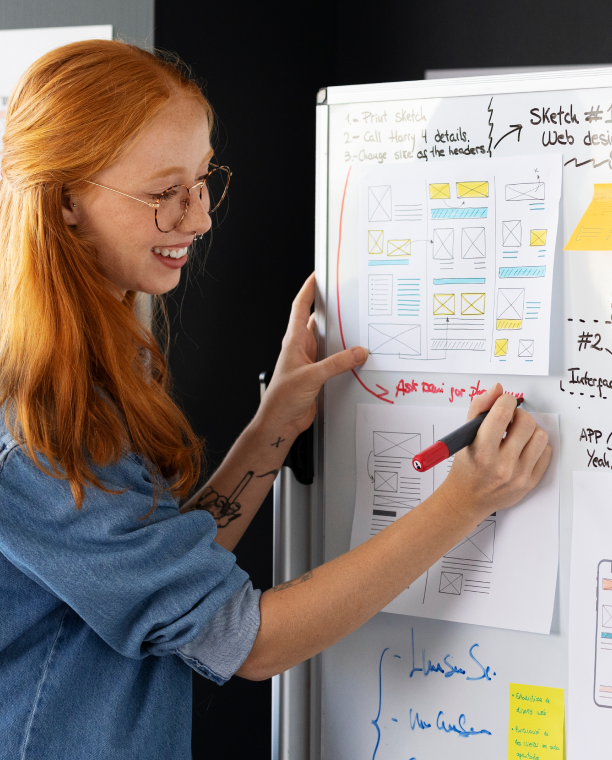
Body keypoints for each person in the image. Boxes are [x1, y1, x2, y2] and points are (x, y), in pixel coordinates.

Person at [0, 40, 552, 760]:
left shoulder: (91, 370)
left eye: (203, 180)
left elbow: (169, 578)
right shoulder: (40, 428)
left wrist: (275, 425)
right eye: (164, 194)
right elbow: (250, 642)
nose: (198, 219)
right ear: (67, 202)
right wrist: (463, 501)